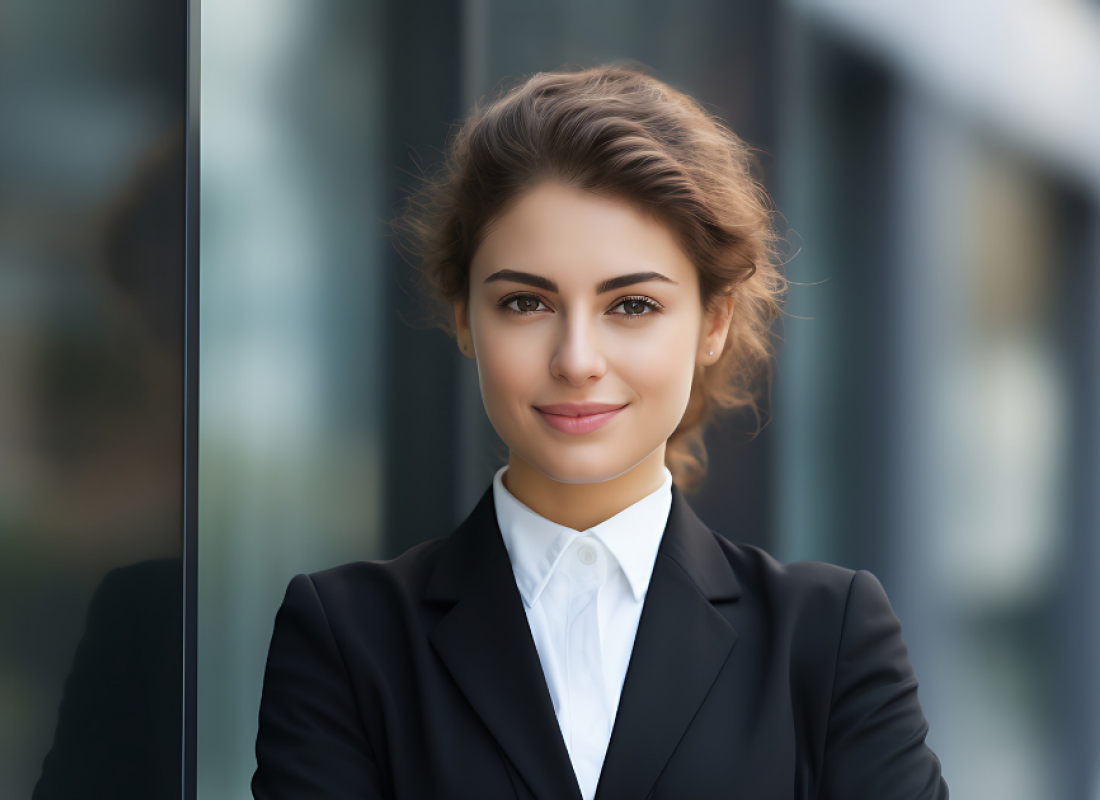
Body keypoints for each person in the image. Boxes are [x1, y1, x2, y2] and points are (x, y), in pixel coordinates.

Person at [251, 65, 949, 800]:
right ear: (464, 317)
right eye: (525, 302)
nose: (577, 360)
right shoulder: (348, 638)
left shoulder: (826, 639)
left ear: (713, 322)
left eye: (634, 306)